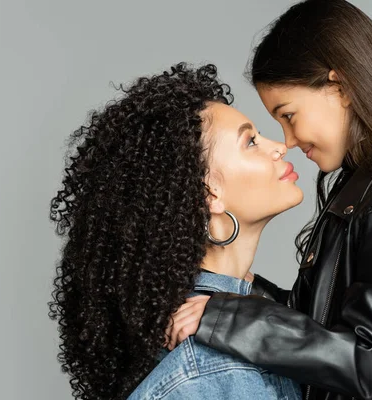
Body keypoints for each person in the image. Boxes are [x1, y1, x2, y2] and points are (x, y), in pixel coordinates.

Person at [167, 1, 372, 399]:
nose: (286, 140)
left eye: (288, 115)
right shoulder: (358, 194)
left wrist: (227, 316)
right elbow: (318, 325)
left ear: (340, 88)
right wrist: (233, 297)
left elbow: (369, 363)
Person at [48, 63, 302, 400]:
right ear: (210, 193)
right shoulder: (199, 373)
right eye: (251, 141)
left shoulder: (272, 312)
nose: (279, 146)